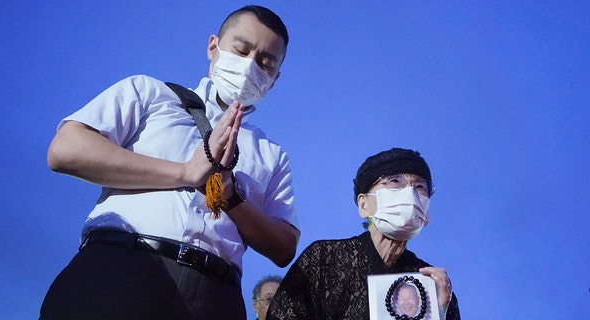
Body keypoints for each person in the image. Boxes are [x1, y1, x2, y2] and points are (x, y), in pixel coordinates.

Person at [40, 5, 300, 320]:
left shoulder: (272, 153)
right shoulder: (151, 94)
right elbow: (66, 149)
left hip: (215, 294)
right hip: (122, 265)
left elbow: (285, 246)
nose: (249, 67)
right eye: (241, 50)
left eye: (264, 63)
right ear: (213, 46)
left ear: (273, 80)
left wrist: (230, 196)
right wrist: (186, 172)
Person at [267, 148, 460, 320]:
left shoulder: (431, 283)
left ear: (426, 211)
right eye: (394, 182)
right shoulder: (324, 258)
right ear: (363, 204)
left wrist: (437, 312)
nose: (410, 194)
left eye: (419, 187)